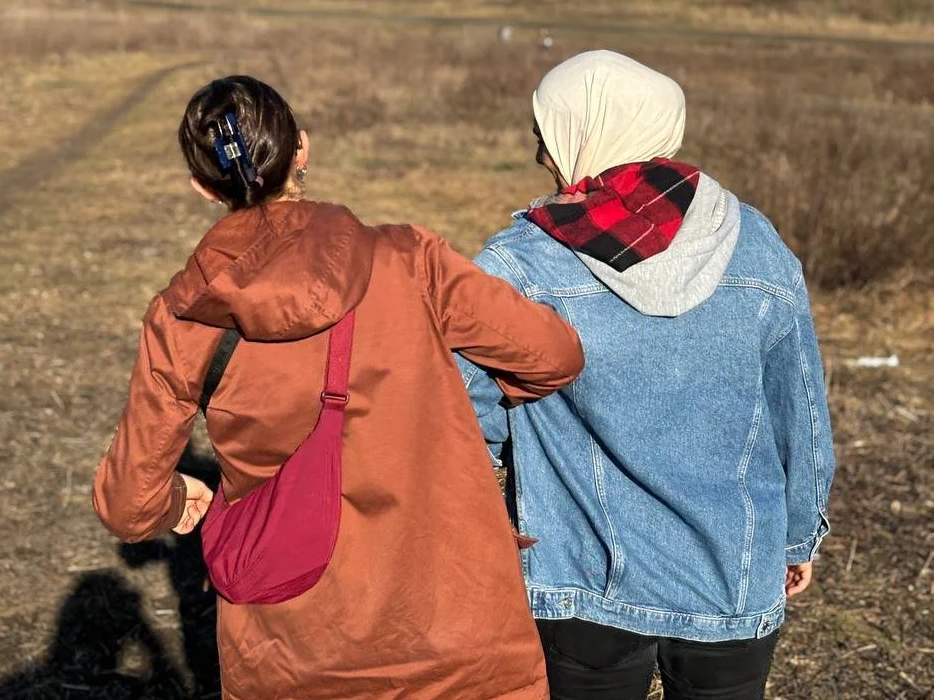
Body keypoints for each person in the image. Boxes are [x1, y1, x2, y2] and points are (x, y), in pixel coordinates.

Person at [93, 74, 584, 700]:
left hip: (292, 650)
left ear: (201, 185)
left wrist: (177, 500)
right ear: (302, 148)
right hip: (456, 631)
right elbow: (554, 356)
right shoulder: (411, 259)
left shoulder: (184, 315)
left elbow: (128, 505)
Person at [459, 51, 834, 700]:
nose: (542, 157)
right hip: (730, 576)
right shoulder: (756, 244)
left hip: (583, 577)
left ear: (582, 135)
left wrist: (482, 506)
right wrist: (798, 535)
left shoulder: (519, 262)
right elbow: (797, 411)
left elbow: (462, 405)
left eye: (545, 137)